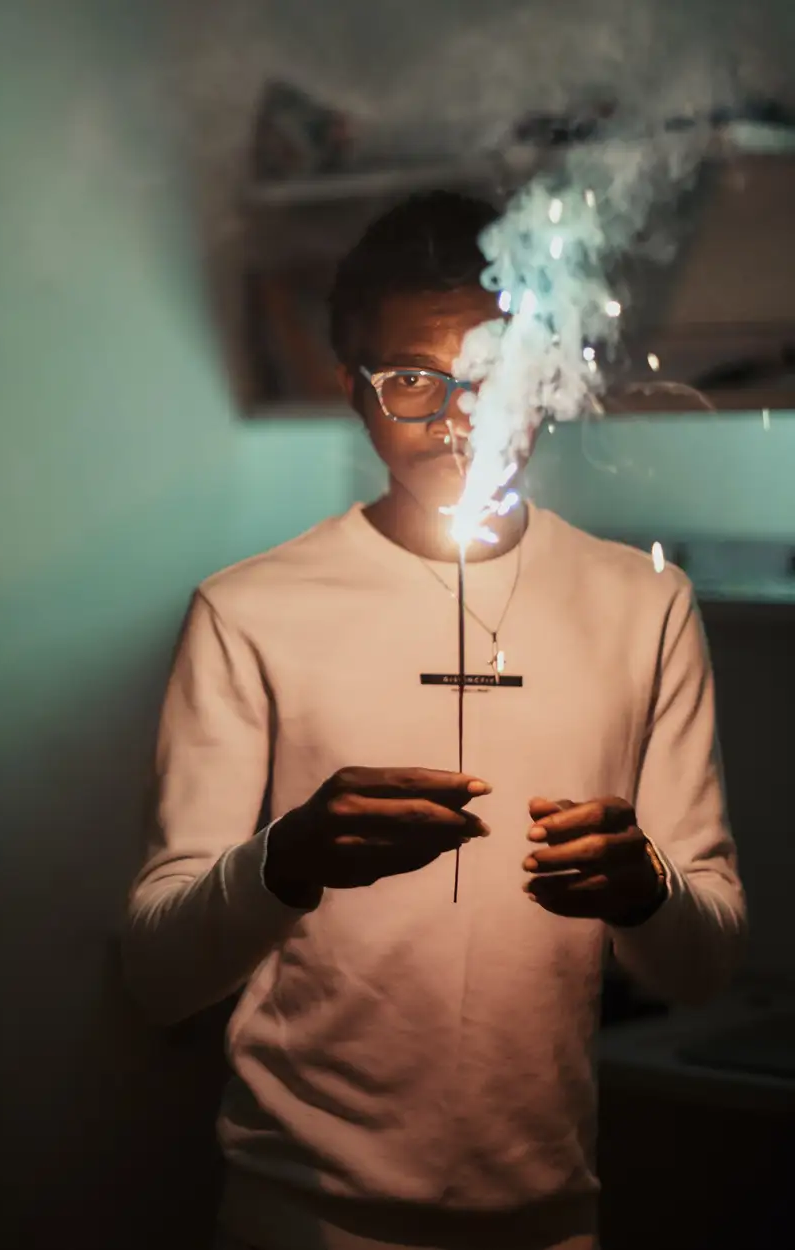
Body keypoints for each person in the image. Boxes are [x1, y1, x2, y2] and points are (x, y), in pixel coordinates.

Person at [122, 191, 746, 1250]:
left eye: (495, 373)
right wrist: (290, 859)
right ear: (353, 393)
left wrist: (644, 889)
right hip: (299, 1216)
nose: (458, 418)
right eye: (411, 380)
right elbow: (157, 972)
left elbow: (702, 964)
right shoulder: (251, 611)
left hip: (548, 1214)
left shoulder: (642, 606)